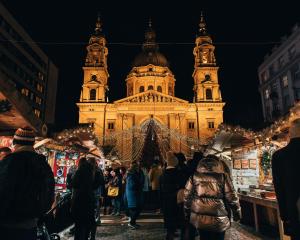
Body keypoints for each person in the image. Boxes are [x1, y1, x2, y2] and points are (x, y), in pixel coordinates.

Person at [0, 127, 55, 240]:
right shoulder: (43, 165)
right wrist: (37, 215)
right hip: (31, 226)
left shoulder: (10, 162)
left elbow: (3, 190)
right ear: (33, 143)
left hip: (7, 225)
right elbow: (49, 195)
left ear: (15, 143)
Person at [184, 154, 241, 240]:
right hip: (219, 218)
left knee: (204, 237)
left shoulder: (194, 177)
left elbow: (187, 197)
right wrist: (237, 214)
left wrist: (187, 213)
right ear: (217, 164)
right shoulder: (222, 177)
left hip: (200, 218)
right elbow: (232, 197)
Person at [272, 118, 300, 240]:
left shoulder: (279, 156)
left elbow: (279, 188)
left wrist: (284, 216)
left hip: (294, 212)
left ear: (290, 134)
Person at [71, 157, 100, 240]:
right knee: (88, 223)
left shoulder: (79, 171)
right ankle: (88, 237)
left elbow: (73, 184)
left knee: (79, 225)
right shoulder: (94, 172)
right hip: (89, 200)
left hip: (79, 200)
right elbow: (96, 185)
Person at [160, 151, 182, 240]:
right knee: (176, 222)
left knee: (169, 225)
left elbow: (160, 192)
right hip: (177, 202)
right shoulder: (179, 174)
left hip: (166, 203)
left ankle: (170, 235)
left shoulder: (162, 175)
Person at [87, 157, 104, 240]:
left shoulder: (93, 171)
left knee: (91, 213)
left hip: (91, 195)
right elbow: (101, 182)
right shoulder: (98, 171)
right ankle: (91, 234)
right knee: (94, 212)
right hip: (95, 194)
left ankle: (89, 234)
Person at [125, 161, 144, 229]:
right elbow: (132, 185)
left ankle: (133, 222)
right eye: (137, 166)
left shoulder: (135, 173)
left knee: (137, 208)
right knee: (134, 209)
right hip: (132, 194)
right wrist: (139, 184)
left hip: (135, 193)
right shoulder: (131, 174)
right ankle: (131, 223)